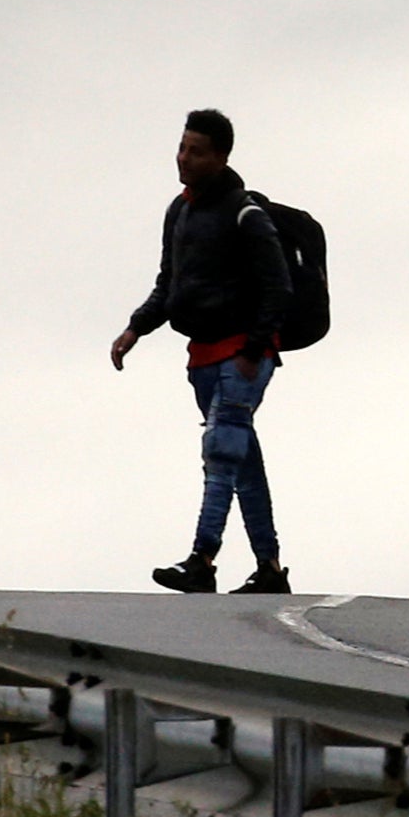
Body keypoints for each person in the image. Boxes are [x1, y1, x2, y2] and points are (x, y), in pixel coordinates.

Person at [110, 108, 294, 596]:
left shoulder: (246, 215)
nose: (184, 158)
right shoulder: (181, 211)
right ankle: (270, 571)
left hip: (242, 355)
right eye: (182, 147)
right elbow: (169, 283)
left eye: (196, 151)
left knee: (221, 451)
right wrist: (135, 329)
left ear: (221, 157)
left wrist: (254, 350)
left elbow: (278, 288)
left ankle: (201, 560)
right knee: (242, 462)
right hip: (203, 356)